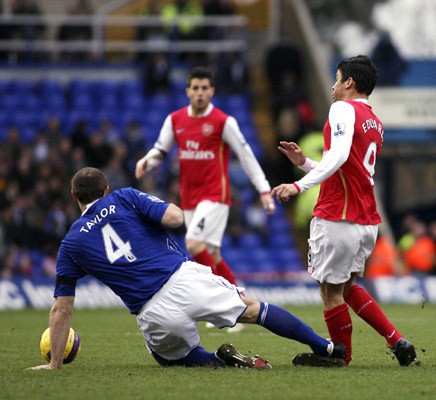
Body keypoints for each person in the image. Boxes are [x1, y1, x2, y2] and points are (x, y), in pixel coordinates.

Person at [28, 167, 346, 370]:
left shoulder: (70, 243)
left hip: (151, 312)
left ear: (74, 197)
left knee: (169, 358)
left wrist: (55, 363)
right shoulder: (124, 198)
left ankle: (225, 365)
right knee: (251, 310)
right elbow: (176, 218)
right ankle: (325, 347)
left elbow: (61, 309)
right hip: (181, 278)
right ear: (106, 189)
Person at [271, 55, 417, 367]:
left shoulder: (341, 108)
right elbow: (346, 167)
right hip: (366, 221)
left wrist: (298, 186)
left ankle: (342, 356)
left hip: (339, 216)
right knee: (347, 287)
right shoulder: (373, 120)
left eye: (337, 78)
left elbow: (336, 157)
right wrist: (306, 164)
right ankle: (396, 339)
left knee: (330, 292)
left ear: (349, 82)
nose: (334, 85)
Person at [135, 66, 275, 297]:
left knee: (193, 244)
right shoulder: (175, 120)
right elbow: (161, 150)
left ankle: (219, 301)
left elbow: (246, 155)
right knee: (212, 254)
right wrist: (147, 161)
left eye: (204, 88)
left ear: (212, 91)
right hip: (189, 198)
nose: (200, 92)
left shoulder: (223, 122)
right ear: (188, 91)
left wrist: (263, 189)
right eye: (195, 88)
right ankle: (241, 302)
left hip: (215, 195)